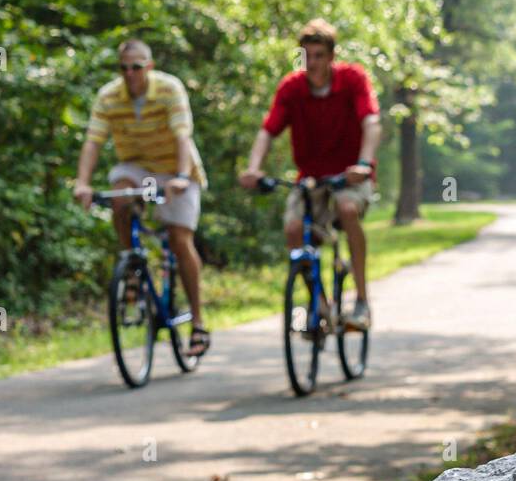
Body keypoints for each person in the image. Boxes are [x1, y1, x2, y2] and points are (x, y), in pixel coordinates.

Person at [239, 18, 381, 331]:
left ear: (331, 56)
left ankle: (361, 301)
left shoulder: (353, 79)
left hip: (349, 175)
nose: (312, 62)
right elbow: (268, 131)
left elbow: (370, 122)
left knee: (346, 209)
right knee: (293, 230)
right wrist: (253, 168)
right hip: (311, 177)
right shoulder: (292, 88)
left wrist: (364, 164)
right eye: (307, 55)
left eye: (319, 55)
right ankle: (320, 305)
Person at [74, 38, 211, 359]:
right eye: (124, 68)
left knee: (179, 239)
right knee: (119, 198)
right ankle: (132, 266)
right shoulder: (109, 96)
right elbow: (93, 142)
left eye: (136, 67)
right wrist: (82, 184)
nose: (130, 73)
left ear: (149, 67)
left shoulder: (168, 89)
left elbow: (182, 135)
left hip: (176, 169)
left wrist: (179, 176)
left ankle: (198, 322)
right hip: (135, 167)